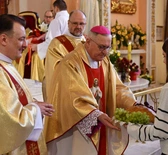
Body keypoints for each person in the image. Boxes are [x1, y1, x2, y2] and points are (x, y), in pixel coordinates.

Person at [44, 26, 137, 155]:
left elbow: (117, 88)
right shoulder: (70, 63)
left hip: (103, 121)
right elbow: (73, 96)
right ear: (88, 42)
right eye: (101, 47)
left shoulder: (105, 62)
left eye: (107, 47)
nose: (104, 52)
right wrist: (95, 114)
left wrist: (133, 104)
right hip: (77, 126)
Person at [0, 14, 54, 154]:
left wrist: (35, 104)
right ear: (4, 39)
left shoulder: (7, 65)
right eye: (21, 39)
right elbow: (10, 120)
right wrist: (36, 109)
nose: (26, 45)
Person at [44, 9, 86, 100]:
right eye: (75, 23)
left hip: (87, 92)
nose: (78, 26)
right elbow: (54, 71)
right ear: (68, 23)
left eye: (81, 24)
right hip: (65, 93)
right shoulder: (57, 44)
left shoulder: (88, 43)